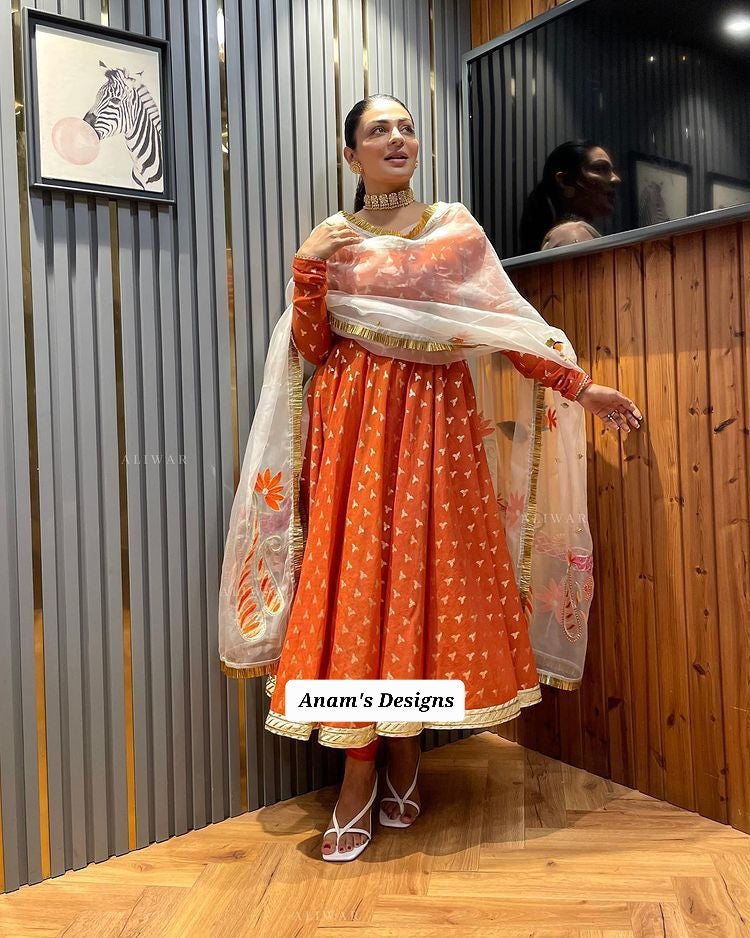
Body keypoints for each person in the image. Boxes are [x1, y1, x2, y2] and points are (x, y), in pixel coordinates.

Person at [218, 95, 643, 863]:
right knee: (361, 588)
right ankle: (358, 772)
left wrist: (581, 387)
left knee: (427, 585)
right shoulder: (334, 238)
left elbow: (505, 327)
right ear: (351, 155)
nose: (397, 138)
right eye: (378, 129)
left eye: (407, 127)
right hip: (354, 434)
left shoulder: (454, 231)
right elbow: (312, 347)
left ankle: (407, 750)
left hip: (439, 430)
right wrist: (308, 266)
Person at [519, 140, 621, 253]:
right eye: (599, 169)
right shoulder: (573, 234)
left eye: (611, 170)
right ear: (565, 181)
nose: (616, 179)